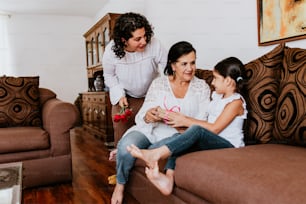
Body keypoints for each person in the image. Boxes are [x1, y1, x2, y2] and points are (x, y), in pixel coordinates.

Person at [127, 56, 248, 195]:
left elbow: (215, 128)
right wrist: (182, 127)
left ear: (227, 81)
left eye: (215, 78)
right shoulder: (217, 97)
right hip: (214, 142)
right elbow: (207, 126)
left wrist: (186, 120)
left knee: (196, 130)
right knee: (181, 138)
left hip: (230, 147)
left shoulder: (236, 102)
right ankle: (168, 179)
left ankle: (156, 154)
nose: (212, 82)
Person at [111, 41, 211, 204]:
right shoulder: (159, 84)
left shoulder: (201, 87)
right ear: (172, 65)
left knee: (146, 150)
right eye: (184, 64)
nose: (190, 68)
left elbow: (203, 122)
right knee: (126, 146)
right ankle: (120, 184)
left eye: (193, 62)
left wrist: (182, 123)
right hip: (149, 129)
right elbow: (142, 115)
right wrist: (149, 116)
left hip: (176, 135)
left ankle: (146, 153)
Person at [102, 12, 168, 147]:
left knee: (153, 132)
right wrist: (119, 95)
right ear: (123, 40)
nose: (144, 41)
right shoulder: (110, 52)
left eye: (145, 36)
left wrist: (165, 92)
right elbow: (109, 76)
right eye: (138, 39)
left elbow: (168, 68)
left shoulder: (155, 44)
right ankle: (122, 161)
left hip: (151, 95)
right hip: (126, 97)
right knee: (121, 134)